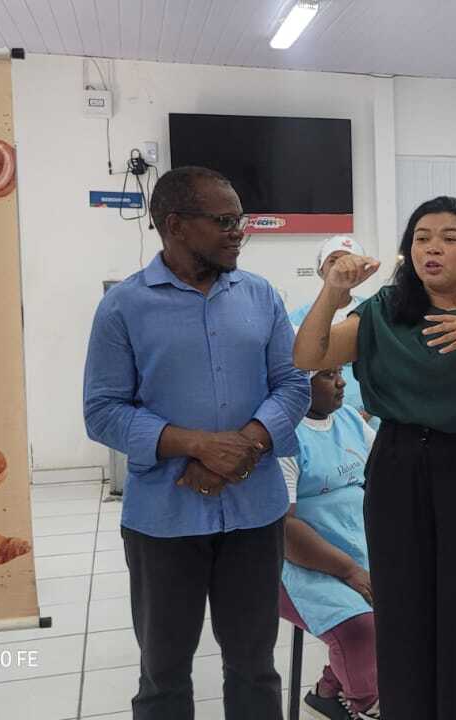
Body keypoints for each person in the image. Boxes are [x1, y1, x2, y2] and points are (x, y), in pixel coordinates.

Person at [291, 195, 456, 720]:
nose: (433, 249)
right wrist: (332, 291)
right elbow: (308, 355)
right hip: (399, 467)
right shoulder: (384, 311)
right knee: (404, 611)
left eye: (449, 238)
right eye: (422, 238)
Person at [84, 166, 310, 719]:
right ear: (176, 225)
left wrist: (241, 449)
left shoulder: (260, 296)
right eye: (225, 221)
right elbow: (102, 412)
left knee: (254, 666)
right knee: (163, 673)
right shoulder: (124, 307)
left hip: (254, 515)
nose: (239, 233)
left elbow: (293, 385)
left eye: (241, 220)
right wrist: (195, 445)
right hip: (164, 519)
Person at [277, 368, 380, 720]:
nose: (342, 382)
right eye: (327, 375)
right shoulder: (283, 436)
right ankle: (367, 705)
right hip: (299, 565)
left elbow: (384, 474)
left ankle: (328, 692)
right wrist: (349, 570)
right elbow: (284, 529)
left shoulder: (349, 420)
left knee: (409, 605)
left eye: (339, 371)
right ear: (297, 383)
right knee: (360, 628)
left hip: (357, 547)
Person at [289, 237, 373, 423]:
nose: (342, 267)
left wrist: (371, 410)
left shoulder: (374, 312)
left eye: (349, 260)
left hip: (370, 415)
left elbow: (388, 367)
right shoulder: (300, 318)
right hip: (313, 419)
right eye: (333, 261)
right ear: (321, 269)